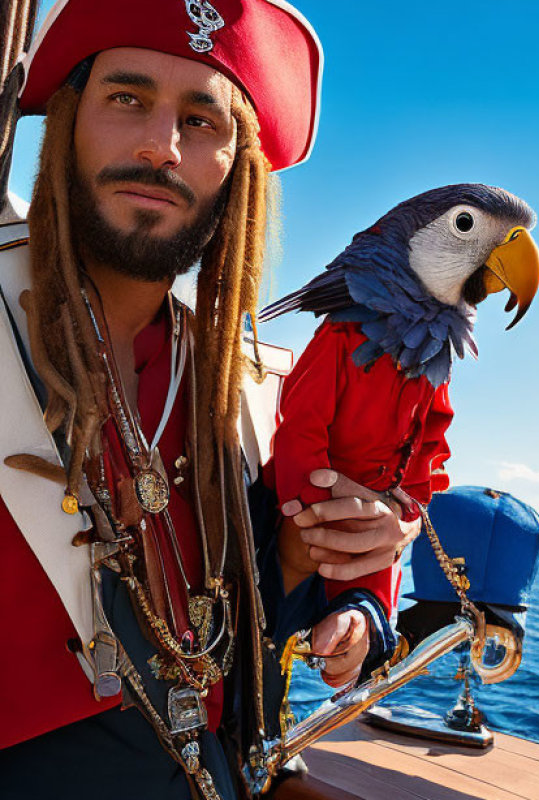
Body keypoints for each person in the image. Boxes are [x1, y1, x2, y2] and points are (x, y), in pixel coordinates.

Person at [0, 1, 420, 796]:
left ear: (239, 171)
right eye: (127, 99)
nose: (162, 146)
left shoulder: (247, 393)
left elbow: (237, 630)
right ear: (67, 125)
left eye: (202, 121)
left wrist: (323, 565)